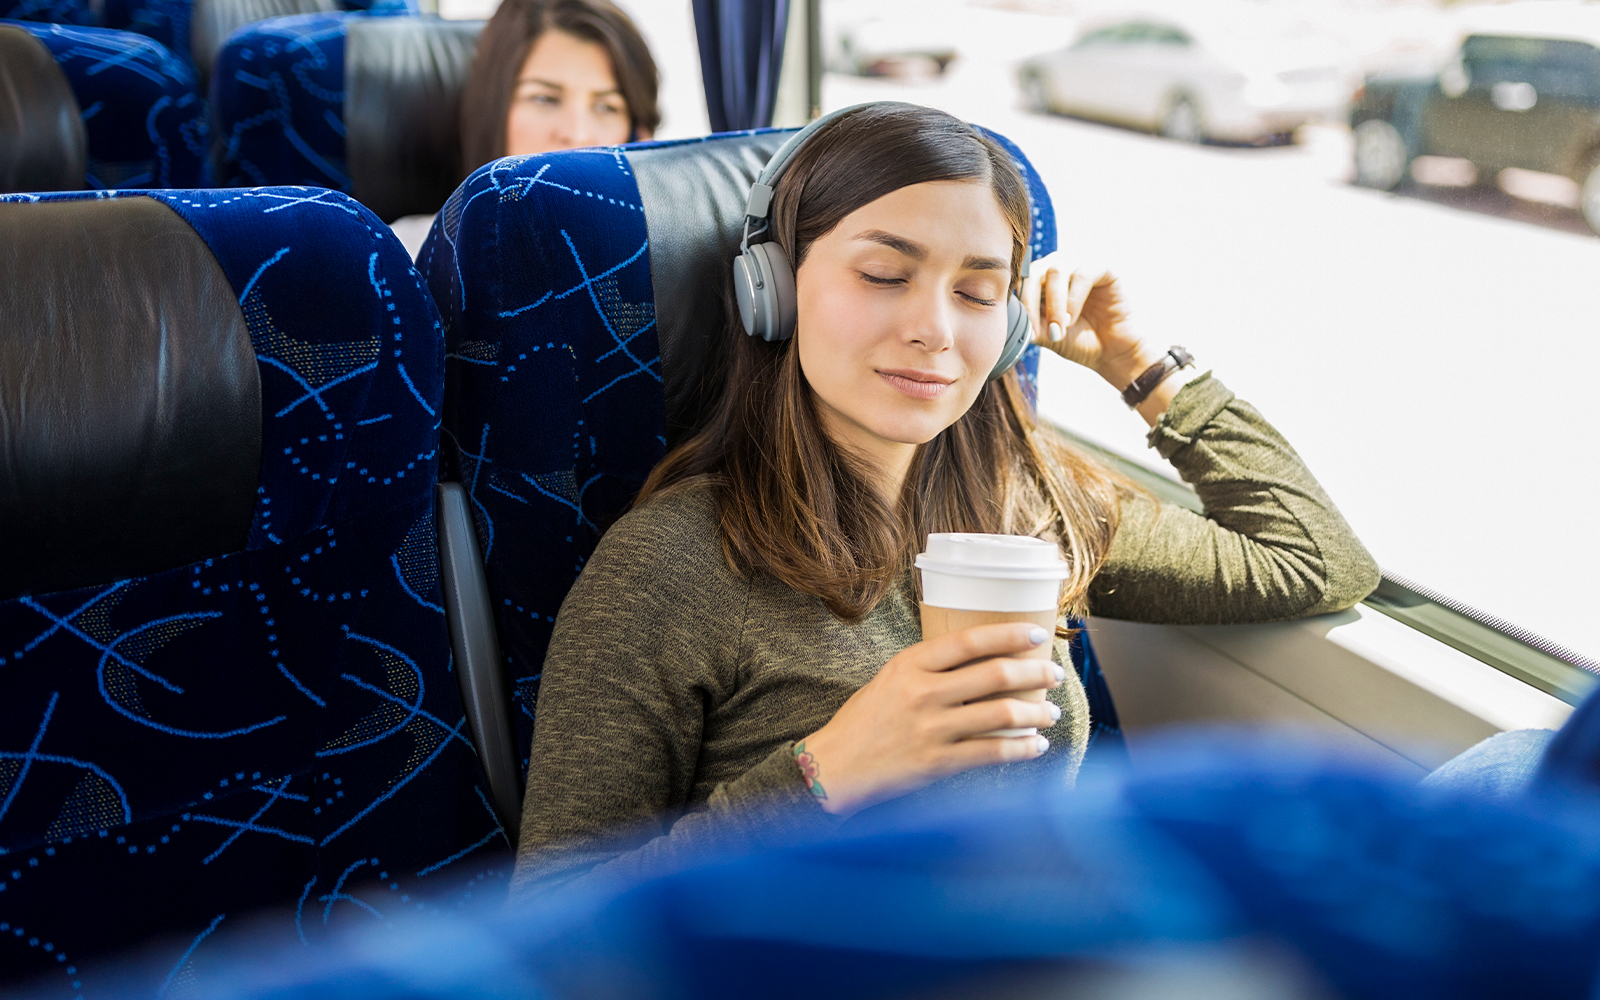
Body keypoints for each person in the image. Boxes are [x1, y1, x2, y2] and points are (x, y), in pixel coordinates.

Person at [511, 103, 1380, 899]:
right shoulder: (672, 566)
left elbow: (1314, 560)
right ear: (771, 286)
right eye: (886, 274)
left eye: (975, 292)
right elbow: (552, 924)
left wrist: (1141, 367)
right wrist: (825, 777)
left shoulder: (1028, 505)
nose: (935, 328)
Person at [389, 0, 660, 258]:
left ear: (638, 135)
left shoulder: (671, 264)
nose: (578, 134)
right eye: (544, 99)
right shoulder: (407, 258)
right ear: (491, 111)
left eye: (606, 107)